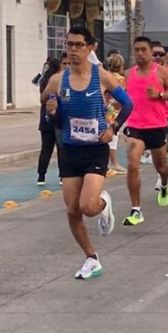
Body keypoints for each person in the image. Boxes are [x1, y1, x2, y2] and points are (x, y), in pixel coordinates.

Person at [41, 26, 133, 280]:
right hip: (70, 149)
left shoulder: (102, 76)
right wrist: (51, 111)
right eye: (69, 44)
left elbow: (128, 104)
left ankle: (104, 204)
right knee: (72, 209)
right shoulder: (58, 80)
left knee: (88, 207)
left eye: (78, 44)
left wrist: (113, 128)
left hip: (95, 149)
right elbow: (52, 117)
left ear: (90, 47)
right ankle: (91, 258)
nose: (72, 49)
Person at [122, 36, 168, 226]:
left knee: (161, 167)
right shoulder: (129, 74)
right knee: (132, 165)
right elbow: (125, 98)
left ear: (150, 52)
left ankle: (165, 183)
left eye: (143, 50)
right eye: (136, 50)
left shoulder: (161, 72)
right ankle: (136, 210)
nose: (140, 53)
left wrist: (160, 95)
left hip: (156, 126)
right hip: (135, 126)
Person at [36, 57, 63, 186]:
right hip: (56, 116)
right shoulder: (58, 80)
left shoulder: (44, 79)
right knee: (61, 148)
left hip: (45, 117)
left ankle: (41, 176)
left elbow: (41, 97)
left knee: (46, 149)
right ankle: (63, 175)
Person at [104, 53, 128, 175]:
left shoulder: (105, 76)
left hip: (106, 106)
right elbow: (122, 95)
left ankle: (109, 161)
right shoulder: (120, 79)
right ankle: (113, 162)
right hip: (114, 108)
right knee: (114, 135)